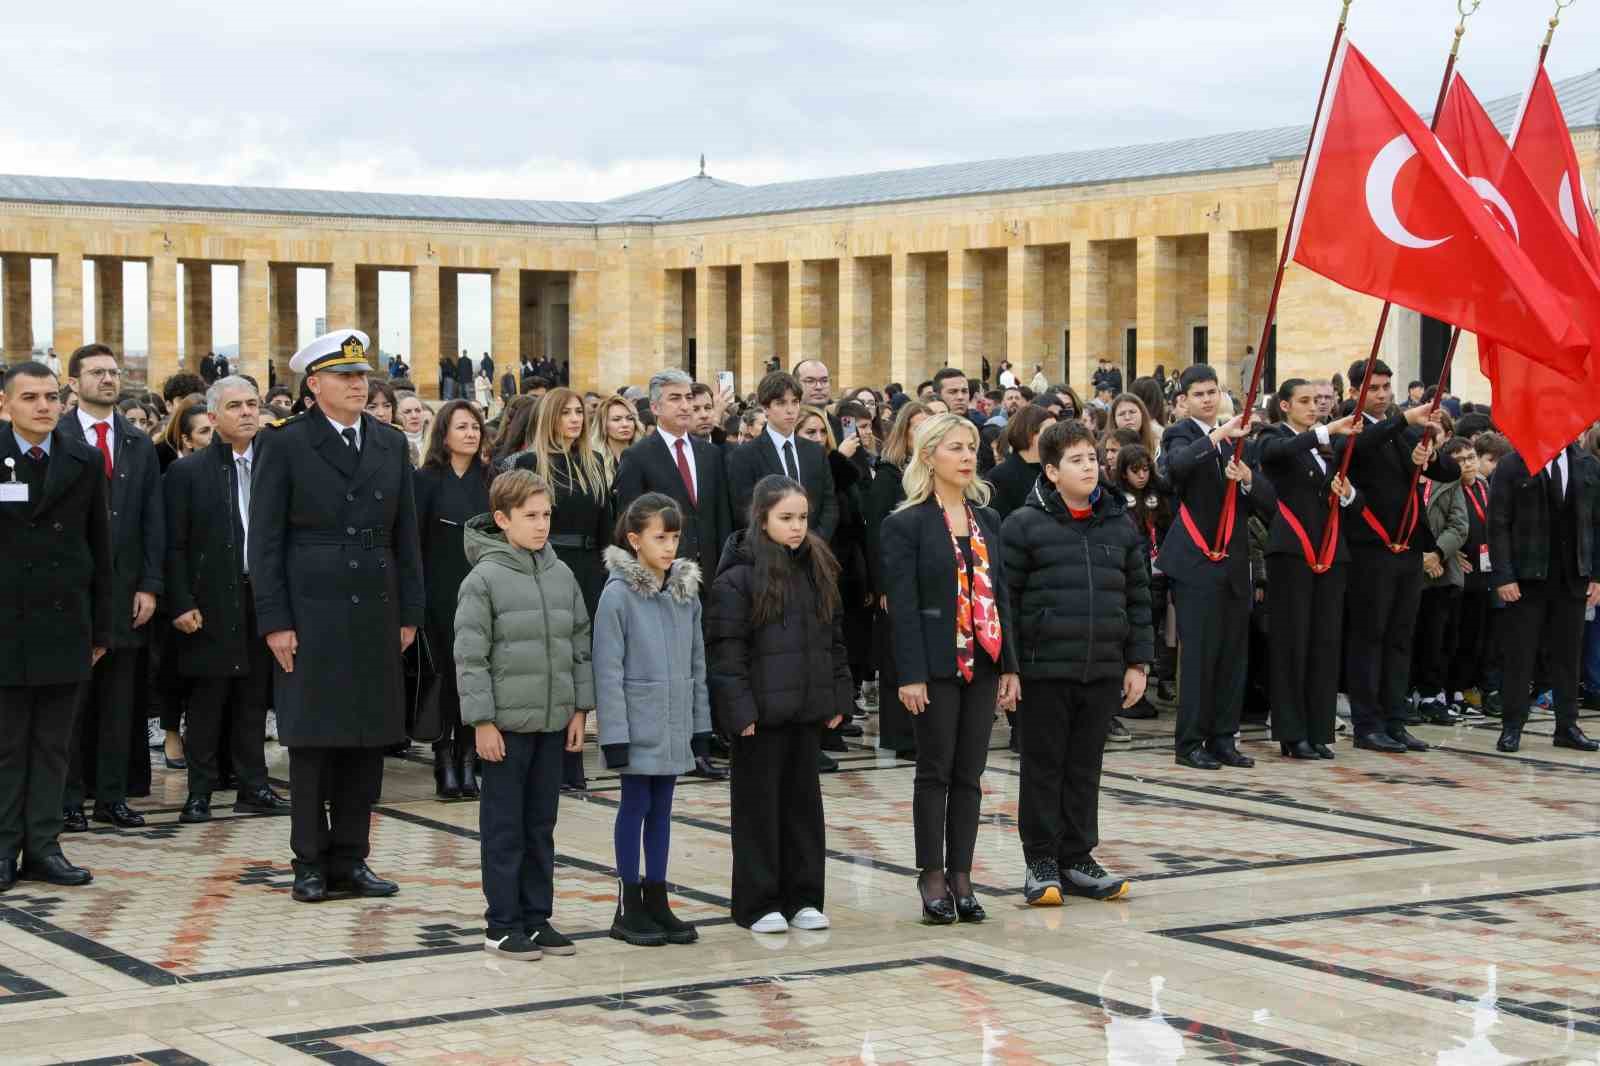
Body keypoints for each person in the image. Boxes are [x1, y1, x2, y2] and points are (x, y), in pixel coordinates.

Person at [249, 329, 424, 904]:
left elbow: (406, 537)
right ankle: (310, 861)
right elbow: (264, 541)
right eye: (344, 376)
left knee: (367, 739)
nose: (357, 384)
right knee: (313, 742)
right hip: (312, 608)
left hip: (375, 605)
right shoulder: (285, 442)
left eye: (361, 376)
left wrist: (410, 612)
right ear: (314, 384)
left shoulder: (389, 442)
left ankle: (352, 857)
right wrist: (275, 620)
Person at [1001, 419, 1151, 906]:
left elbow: (1138, 595)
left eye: (1092, 458)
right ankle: (1041, 860)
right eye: (1076, 460)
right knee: (1044, 767)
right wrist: (1010, 667)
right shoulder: (1024, 525)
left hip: (1102, 666)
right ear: (1051, 471)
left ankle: (1078, 855)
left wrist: (1138, 662)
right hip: (1044, 669)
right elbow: (1008, 601)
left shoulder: (1118, 522)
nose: (1089, 468)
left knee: (1085, 767)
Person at [881, 413, 1020, 924]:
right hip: (936, 664)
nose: (967, 457)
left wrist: (1009, 666)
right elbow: (903, 605)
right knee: (934, 771)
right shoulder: (906, 524)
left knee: (970, 774)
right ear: (928, 456)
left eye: (971, 448)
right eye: (955, 448)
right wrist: (910, 674)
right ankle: (932, 875)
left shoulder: (989, 520)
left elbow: (1000, 595)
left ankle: (962, 874)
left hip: (983, 661)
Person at [456, 469, 594, 960]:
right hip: (506, 729)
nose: (541, 525)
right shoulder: (483, 580)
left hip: (552, 723)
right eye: (530, 516)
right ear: (502, 519)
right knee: (504, 828)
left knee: (540, 824)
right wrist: (482, 722)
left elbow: (579, 643)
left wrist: (579, 709)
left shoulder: (561, 574)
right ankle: (501, 924)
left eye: (546, 515)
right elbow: (470, 657)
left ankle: (536, 919)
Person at [707, 475, 851, 931]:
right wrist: (738, 710)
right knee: (758, 810)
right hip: (761, 716)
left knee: (803, 808)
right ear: (762, 518)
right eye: (786, 518)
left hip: (805, 710)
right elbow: (727, 650)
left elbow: (833, 640)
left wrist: (837, 695)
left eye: (803, 518)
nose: (796, 527)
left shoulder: (817, 567)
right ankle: (758, 902)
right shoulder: (738, 577)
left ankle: (803, 897)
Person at [0, 361, 112, 890]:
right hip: (5, 623)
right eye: (30, 398)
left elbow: (100, 548)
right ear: (5, 404)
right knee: (7, 745)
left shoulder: (83, 460)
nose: (43, 407)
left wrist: (101, 628)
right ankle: (4, 848)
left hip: (64, 622)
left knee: (52, 745)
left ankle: (44, 847)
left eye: (50, 396)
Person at [164, 374, 291, 824]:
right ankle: (200, 790)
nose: (247, 413)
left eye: (252, 404)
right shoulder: (188, 472)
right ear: (214, 417)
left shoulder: (278, 465)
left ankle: (254, 785)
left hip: (263, 597)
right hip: (210, 600)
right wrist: (180, 601)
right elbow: (172, 544)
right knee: (207, 699)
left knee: (253, 698)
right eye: (235, 406)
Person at [594, 493, 710, 947]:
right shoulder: (617, 596)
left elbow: (697, 663)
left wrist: (700, 726)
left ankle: (657, 897)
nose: (669, 547)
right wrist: (614, 736)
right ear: (634, 539)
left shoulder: (685, 595)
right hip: (638, 724)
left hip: (673, 723)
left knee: (662, 809)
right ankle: (628, 904)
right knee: (635, 805)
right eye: (659, 537)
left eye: (674, 537)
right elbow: (607, 670)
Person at [60, 344, 164, 832]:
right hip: (72, 594)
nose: (107, 379)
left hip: (126, 595)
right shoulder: (57, 436)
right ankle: (66, 799)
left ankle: (111, 796)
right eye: (96, 372)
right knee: (71, 701)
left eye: (113, 372)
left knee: (120, 703)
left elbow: (153, 519)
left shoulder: (137, 442)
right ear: (73, 381)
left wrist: (150, 584)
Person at [1159, 365, 1277, 770]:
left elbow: (1268, 503)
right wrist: (1218, 435)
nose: (1207, 400)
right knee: (1200, 656)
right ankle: (1190, 742)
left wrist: (1247, 479)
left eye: (1212, 392)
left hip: (1234, 561)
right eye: (1199, 394)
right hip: (1195, 561)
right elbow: (1175, 469)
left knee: (1232, 656)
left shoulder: (1238, 442)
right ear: (1184, 400)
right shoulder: (1181, 435)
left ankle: (1224, 738)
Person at [1342, 359, 1457, 754]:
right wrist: (1404, 418)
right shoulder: (1351, 427)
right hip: (1369, 548)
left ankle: (1395, 719)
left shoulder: (1402, 431)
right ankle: (1367, 723)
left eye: (1386, 387)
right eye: (1373, 388)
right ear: (1355, 392)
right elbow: (1358, 449)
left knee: (1400, 638)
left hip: (1407, 547)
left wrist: (1431, 456)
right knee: (1369, 637)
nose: (1382, 395)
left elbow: (1446, 472)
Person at [1257, 380, 1362, 761]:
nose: (1313, 407)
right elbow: (1276, 453)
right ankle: (1292, 732)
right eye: (1304, 401)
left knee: (1324, 644)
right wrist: (1326, 430)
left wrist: (1348, 494)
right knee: (1293, 644)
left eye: (1317, 401)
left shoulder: (1325, 449)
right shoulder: (1274, 438)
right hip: (1292, 553)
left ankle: (1319, 730)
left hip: (1329, 552)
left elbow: (1353, 501)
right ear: (1284, 405)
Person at [514, 387, 612, 790]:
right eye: (566, 412)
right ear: (549, 417)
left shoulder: (594, 463)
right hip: (546, 568)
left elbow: (607, 526)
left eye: (579, 412)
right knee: (550, 661)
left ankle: (572, 760)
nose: (575, 419)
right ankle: (546, 759)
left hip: (589, 571)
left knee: (580, 661)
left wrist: (608, 575)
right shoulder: (529, 463)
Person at [1488, 440, 1600, 753]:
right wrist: (1504, 575)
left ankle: (1567, 726)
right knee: (1519, 655)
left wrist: (1597, 575)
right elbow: (1497, 523)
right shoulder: (1513, 464)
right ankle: (1512, 726)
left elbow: (1597, 522)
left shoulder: (1587, 464)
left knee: (1568, 656)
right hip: (1527, 576)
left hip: (1572, 577)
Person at [413, 400, 492, 799]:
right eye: (462, 427)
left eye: (475, 427)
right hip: (438, 594)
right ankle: (443, 759)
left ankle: (468, 758)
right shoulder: (425, 480)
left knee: (475, 677)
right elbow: (413, 543)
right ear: (444, 434)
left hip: (482, 593)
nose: (471, 434)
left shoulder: (492, 479)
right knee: (444, 676)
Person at [612, 369, 734, 600]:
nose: (685, 406)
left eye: (688, 397)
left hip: (712, 578)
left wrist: (725, 569)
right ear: (655, 407)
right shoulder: (637, 457)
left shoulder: (710, 453)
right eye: (675, 398)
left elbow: (722, 516)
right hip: (663, 580)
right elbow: (629, 523)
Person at [865, 401, 936, 759]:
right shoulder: (889, 475)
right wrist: (882, 586)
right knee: (897, 658)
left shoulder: (936, 472)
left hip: (929, 579)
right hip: (896, 579)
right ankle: (900, 736)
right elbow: (876, 535)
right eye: (916, 427)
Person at [728, 371, 838, 539]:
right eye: (781, 403)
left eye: (795, 402)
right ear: (765, 408)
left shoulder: (815, 451)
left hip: (814, 545)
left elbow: (829, 502)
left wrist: (815, 540)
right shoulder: (745, 455)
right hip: (768, 547)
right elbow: (746, 509)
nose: (790, 410)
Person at [1412, 437, 1471, 725]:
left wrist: (1436, 554)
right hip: (1407, 566)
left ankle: (1430, 696)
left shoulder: (1449, 480)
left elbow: (1459, 525)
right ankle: (1403, 693)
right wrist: (1420, 557)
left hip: (1441, 572)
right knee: (1404, 635)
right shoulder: (1401, 476)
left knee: (1436, 638)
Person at [591, 394, 642, 482]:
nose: (625, 424)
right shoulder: (593, 460)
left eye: (630, 418)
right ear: (603, 424)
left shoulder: (645, 454)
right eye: (616, 419)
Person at [395, 392, 428, 465]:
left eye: (418, 410)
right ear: (396, 415)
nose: (414, 416)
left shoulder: (436, 439)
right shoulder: (392, 442)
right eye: (407, 412)